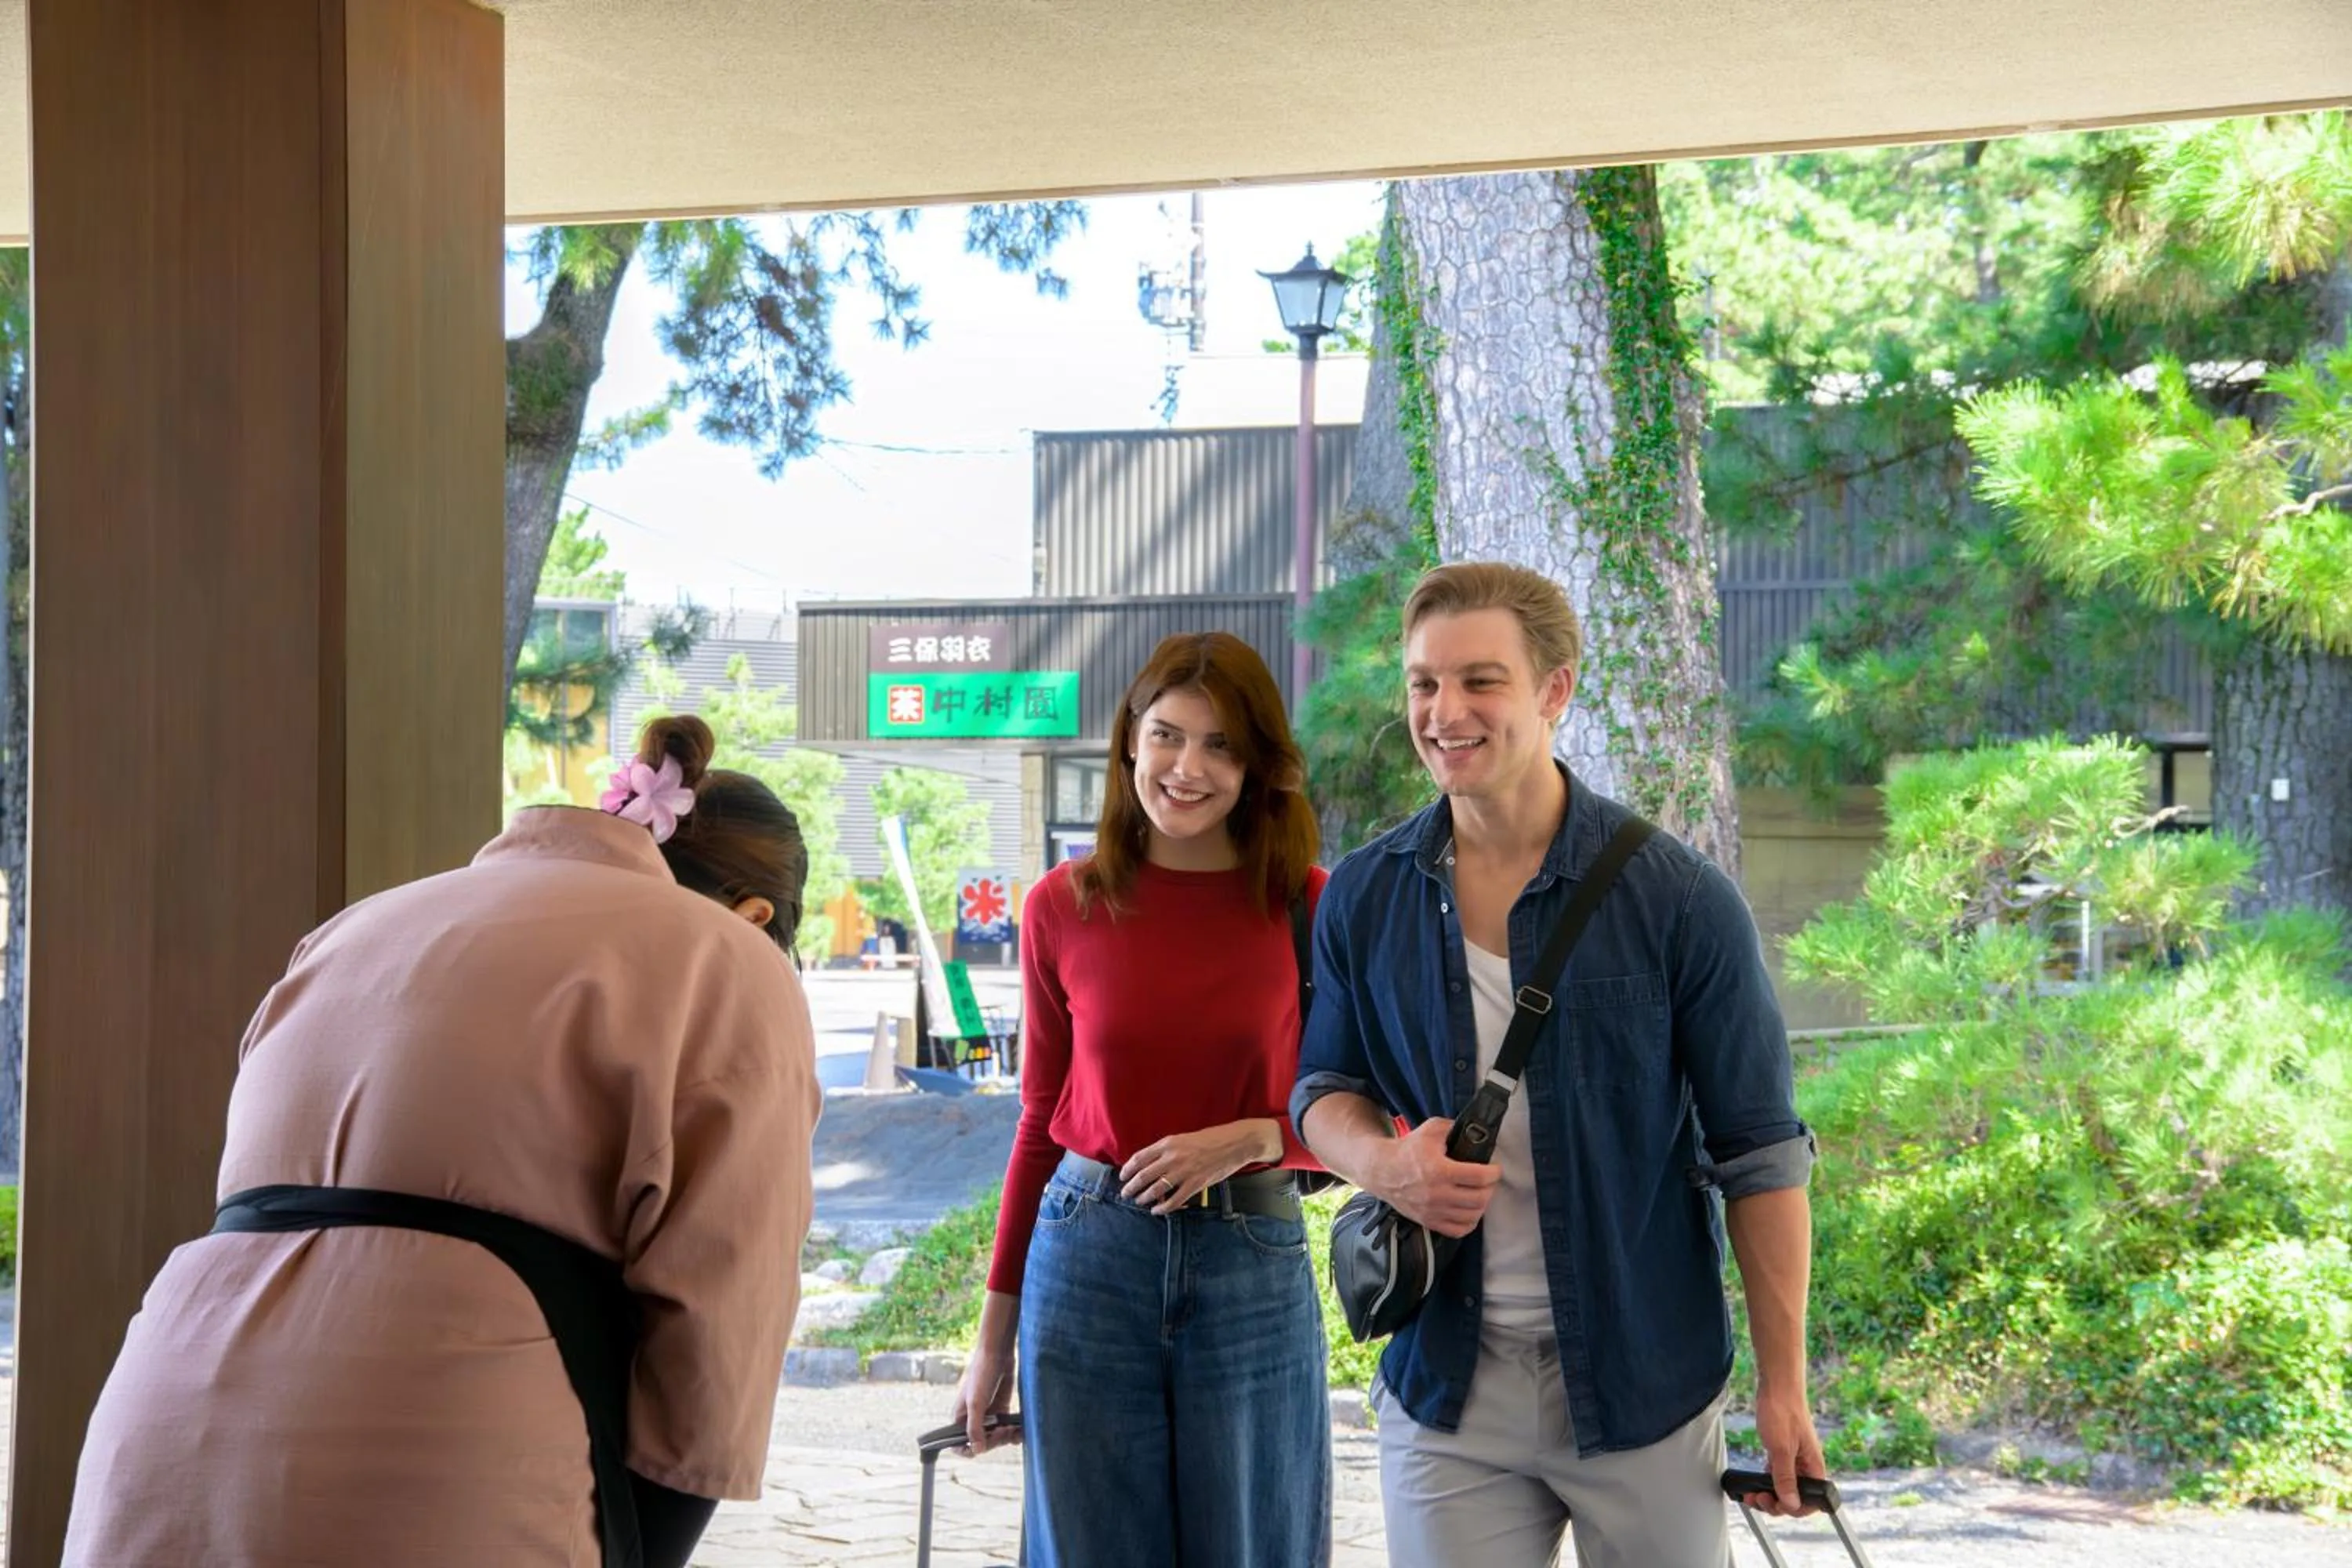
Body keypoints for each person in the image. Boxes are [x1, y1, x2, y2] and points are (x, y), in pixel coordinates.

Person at [63, 716, 822, 1568]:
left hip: (158, 1430)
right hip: (444, 1453)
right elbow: (724, 1308)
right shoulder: (727, 956)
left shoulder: (363, 924)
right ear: (756, 914)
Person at [1292, 563, 1824, 1568]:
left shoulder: (1680, 900)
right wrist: (1384, 1165)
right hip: (1448, 1382)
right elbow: (1321, 1089)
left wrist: (1783, 1386)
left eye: (1479, 680)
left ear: (1554, 690)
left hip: (1643, 1379)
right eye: (1423, 683)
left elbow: (1761, 1154)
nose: (1445, 711)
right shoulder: (1365, 894)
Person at [953, 630, 1332, 1568]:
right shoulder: (1060, 904)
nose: (1187, 767)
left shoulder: (1312, 902)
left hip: (1252, 1257)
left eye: (1220, 745)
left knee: (1258, 1544)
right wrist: (990, 1341)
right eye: (1167, 734)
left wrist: (1252, 1137)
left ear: (1259, 767)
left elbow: (1380, 1120)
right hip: (1086, 1258)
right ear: (1129, 742)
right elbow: (1040, 1124)